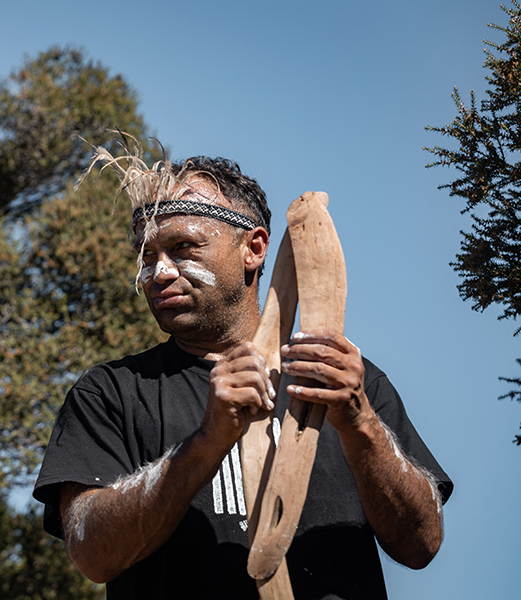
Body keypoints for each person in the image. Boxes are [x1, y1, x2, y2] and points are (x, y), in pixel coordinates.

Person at [32, 153, 452, 599]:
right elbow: (92, 554)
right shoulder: (112, 391)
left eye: (183, 248)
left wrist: (359, 421)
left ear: (253, 249)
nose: (160, 272)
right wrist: (209, 438)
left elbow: (421, 544)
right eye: (147, 255)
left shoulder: (347, 380)